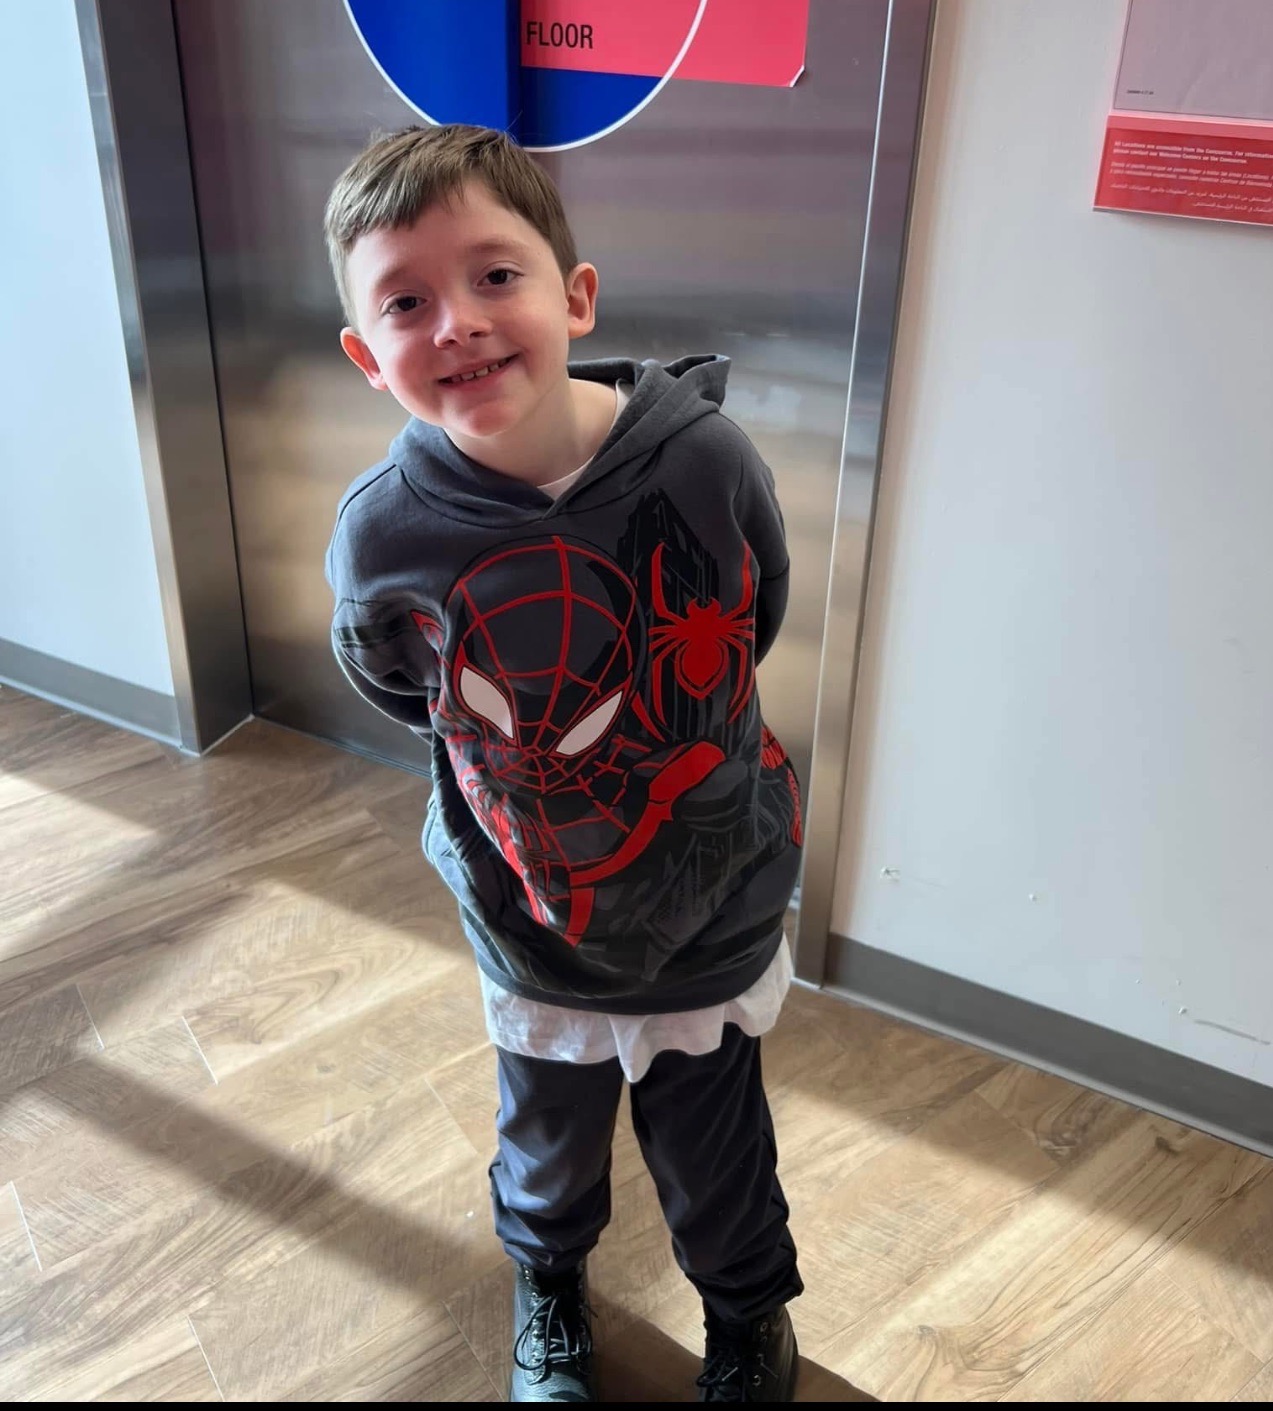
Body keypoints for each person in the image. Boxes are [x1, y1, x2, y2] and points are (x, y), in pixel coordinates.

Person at [323, 123, 805, 1403]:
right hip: (528, 911)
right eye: (406, 302)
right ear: (367, 356)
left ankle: (747, 1313)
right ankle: (549, 1284)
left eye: (495, 275)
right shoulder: (382, 537)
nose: (460, 323)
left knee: (714, 1141)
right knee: (546, 1133)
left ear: (575, 296)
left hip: (711, 893)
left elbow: (750, 614)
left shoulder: (703, 464)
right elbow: (401, 687)